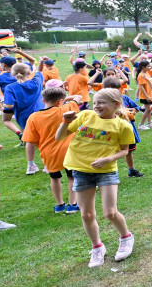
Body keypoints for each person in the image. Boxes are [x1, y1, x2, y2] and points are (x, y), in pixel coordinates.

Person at [56, 88, 135, 268]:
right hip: (80, 170)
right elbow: (59, 137)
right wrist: (65, 122)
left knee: (110, 212)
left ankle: (126, 237)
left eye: (102, 103)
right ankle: (97, 247)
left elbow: (124, 150)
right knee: (86, 214)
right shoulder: (85, 116)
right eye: (95, 102)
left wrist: (108, 159)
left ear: (116, 104)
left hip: (106, 171)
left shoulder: (123, 125)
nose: (97, 106)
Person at [23, 84, 83, 212]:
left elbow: (31, 140)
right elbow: (78, 97)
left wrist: (42, 147)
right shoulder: (66, 108)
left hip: (48, 152)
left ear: (43, 100)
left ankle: (59, 205)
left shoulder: (33, 117)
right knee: (72, 177)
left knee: (55, 178)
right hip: (68, 150)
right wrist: (65, 99)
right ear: (60, 101)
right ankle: (73, 204)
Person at [102, 77, 145, 176]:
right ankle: (110, 171)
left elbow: (136, 108)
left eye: (117, 89)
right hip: (112, 130)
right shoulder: (103, 101)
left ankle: (131, 169)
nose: (115, 92)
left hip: (126, 130)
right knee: (111, 151)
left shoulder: (124, 98)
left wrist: (131, 112)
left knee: (128, 151)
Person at [2, 64, 44, 152]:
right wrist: (41, 61)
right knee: (43, 134)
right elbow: (39, 71)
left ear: (13, 74)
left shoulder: (10, 87)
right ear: (29, 72)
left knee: (6, 120)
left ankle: (21, 135)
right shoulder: (36, 82)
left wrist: (4, 104)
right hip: (40, 113)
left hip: (23, 116)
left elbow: (9, 105)